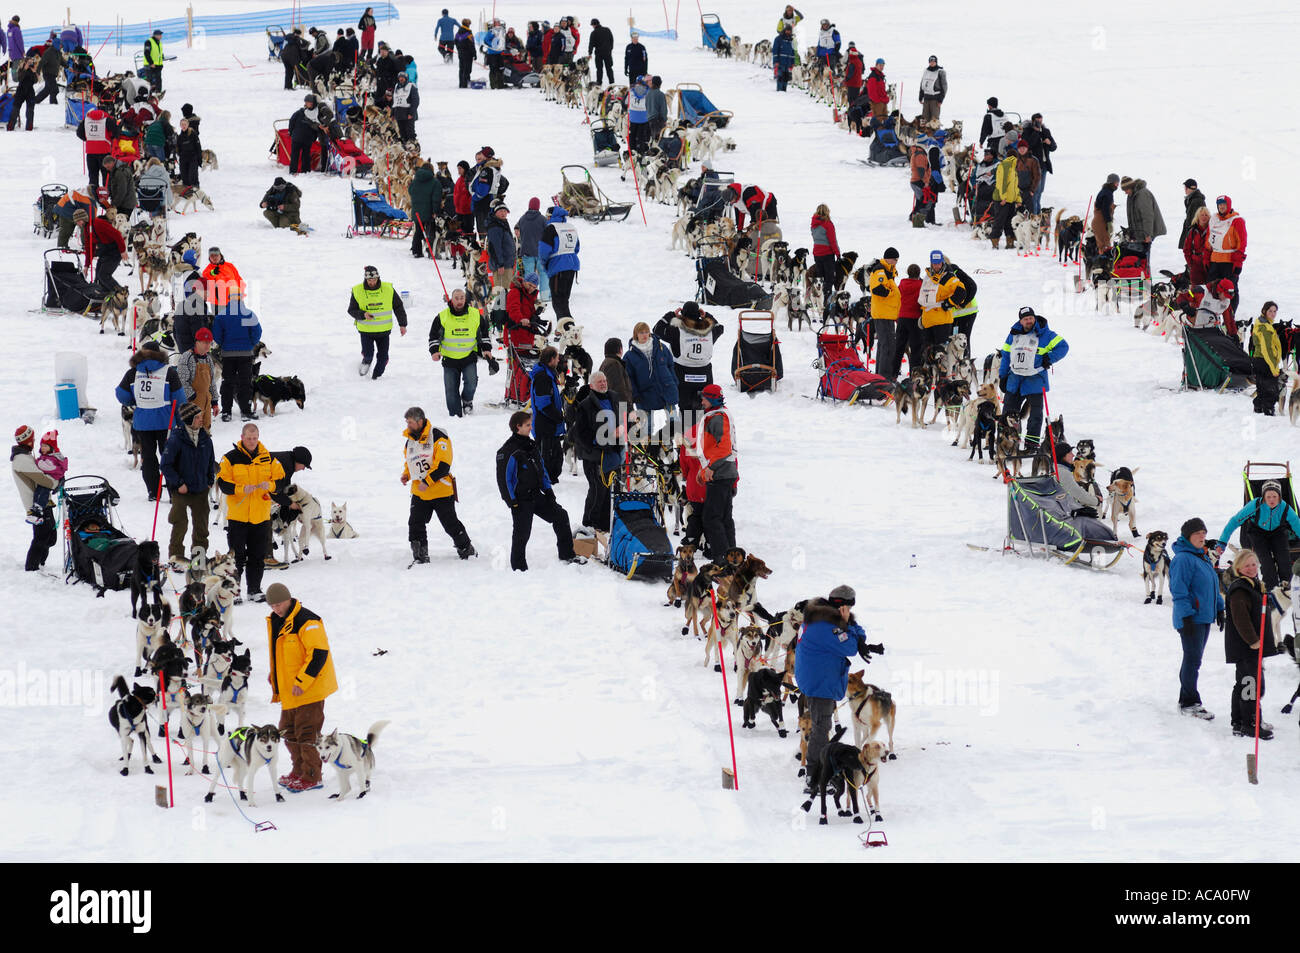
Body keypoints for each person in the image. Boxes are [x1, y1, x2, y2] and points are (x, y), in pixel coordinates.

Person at [794, 586, 873, 792]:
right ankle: (814, 776)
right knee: (821, 727)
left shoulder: (821, 617)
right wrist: (848, 627)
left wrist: (851, 627)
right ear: (841, 606)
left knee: (822, 725)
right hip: (819, 682)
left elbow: (857, 632)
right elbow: (850, 647)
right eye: (847, 608)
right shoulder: (824, 626)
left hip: (817, 679)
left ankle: (819, 770)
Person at [265, 581, 337, 793]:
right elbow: (282, 655)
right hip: (289, 692)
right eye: (272, 606)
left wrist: (302, 681)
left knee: (307, 735)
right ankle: (298, 771)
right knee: (288, 733)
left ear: (289, 599)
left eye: (279, 604)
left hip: (309, 690)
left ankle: (312, 776)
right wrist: (275, 676)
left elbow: (318, 654)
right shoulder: (277, 621)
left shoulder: (307, 621)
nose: (276, 609)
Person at [496, 411, 585, 571]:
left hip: (536, 495)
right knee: (522, 534)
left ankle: (567, 554)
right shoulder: (507, 451)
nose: (531, 428)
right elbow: (504, 480)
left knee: (561, 516)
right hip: (520, 500)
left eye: (531, 424)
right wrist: (511, 501)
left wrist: (548, 490)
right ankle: (518, 567)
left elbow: (541, 469)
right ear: (518, 427)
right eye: (528, 425)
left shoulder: (531, 445)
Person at [217, 425, 283, 604]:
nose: (252, 442)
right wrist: (241, 489)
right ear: (242, 437)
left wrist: (269, 486)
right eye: (249, 438)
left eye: (255, 438)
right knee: (236, 556)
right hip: (238, 517)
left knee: (257, 555)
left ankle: (254, 589)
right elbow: (222, 483)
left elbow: (280, 480)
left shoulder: (268, 458)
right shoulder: (229, 458)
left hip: (260, 516)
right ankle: (234, 591)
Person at [400, 407, 474, 563]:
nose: (408, 426)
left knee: (450, 524)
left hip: (441, 491)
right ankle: (420, 556)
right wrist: (406, 474)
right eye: (407, 422)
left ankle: (466, 548)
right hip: (420, 492)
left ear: (420, 421)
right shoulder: (409, 441)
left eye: (411, 423)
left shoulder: (438, 436)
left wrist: (427, 481)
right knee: (415, 523)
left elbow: (443, 465)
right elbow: (411, 462)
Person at [1169, 518, 1224, 720]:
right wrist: (1186, 616)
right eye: (1197, 533)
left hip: (1203, 617)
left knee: (1194, 659)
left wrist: (1220, 608)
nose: (1202, 536)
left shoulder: (1202, 557)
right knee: (1193, 660)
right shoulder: (1183, 559)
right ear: (1187, 536)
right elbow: (1178, 590)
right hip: (1191, 619)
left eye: (1204, 532)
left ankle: (1188, 699)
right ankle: (1189, 702)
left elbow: (1212, 586)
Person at [116, 342, 184, 500]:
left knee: (148, 457)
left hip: (143, 422)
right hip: (165, 422)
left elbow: (121, 395)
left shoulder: (133, 372)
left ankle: (153, 492)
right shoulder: (169, 372)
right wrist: (179, 421)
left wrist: (134, 401)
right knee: (169, 457)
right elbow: (179, 398)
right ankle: (174, 492)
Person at [1223, 549, 1277, 739]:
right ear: (1238, 568)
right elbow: (1241, 619)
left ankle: (1238, 721)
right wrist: (1253, 641)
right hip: (1247, 647)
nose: (1252, 568)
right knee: (1252, 685)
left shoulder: (1254, 585)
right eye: (1247, 565)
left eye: (1254, 564)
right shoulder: (1240, 589)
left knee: (1244, 682)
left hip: (1250, 646)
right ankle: (1251, 723)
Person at [998, 306, 1068, 450]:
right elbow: (1005, 355)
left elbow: (1064, 347)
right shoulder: (1013, 334)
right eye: (1025, 319)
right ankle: (1007, 442)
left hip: (1035, 380)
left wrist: (1049, 358)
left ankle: (1031, 444)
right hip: (1015, 379)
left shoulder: (1046, 334)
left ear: (1034, 318)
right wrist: (1003, 376)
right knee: (1008, 413)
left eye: (1030, 318)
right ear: (1021, 321)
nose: (1028, 321)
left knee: (1035, 415)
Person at [160, 402, 216, 569]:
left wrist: (209, 481)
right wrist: (178, 483)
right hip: (181, 490)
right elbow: (166, 465)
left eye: (201, 416)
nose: (201, 419)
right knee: (180, 523)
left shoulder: (206, 438)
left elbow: (210, 461)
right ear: (189, 419)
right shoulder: (176, 439)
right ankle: (176, 558)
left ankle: (198, 558)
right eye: (198, 417)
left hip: (200, 489)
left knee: (201, 526)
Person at [1215, 480, 1300, 591]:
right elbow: (1235, 521)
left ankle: (1288, 592)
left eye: (1274, 496)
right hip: (1258, 533)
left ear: (1279, 496)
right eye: (1268, 497)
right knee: (1267, 566)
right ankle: (1270, 594)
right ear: (1263, 496)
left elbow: (1297, 526)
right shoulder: (1255, 505)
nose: (1271, 500)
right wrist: (1222, 542)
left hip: (1278, 533)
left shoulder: (1285, 508)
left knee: (1285, 564)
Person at [428, 287, 493, 417]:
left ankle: (467, 401)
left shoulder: (475, 315)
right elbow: (433, 336)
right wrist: (434, 351)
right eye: (456, 298)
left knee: (472, 384)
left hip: (469, 357)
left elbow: (484, 334)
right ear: (451, 300)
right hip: (449, 359)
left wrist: (486, 349)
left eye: (462, 298)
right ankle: (455, 415)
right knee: (451, 390)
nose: (459, 301)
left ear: (465, 299)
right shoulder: (442, 316)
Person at [572, 372, 624, 533]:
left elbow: (624, 417)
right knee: (597, 489)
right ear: (592, 386)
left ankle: (604, 526)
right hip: (594, 455)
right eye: (599, 382)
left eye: (605, 380)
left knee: (612, 490)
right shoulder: (585, 405)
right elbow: (580, 434)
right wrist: (605, 438)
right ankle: (589, 526)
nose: (603, 384)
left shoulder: (614, 397)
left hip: (614, 453)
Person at [692, 384, 738, 559]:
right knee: (725, 519)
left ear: (711, 399)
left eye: (704, 398)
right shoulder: (720, 414)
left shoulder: (717, 417)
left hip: (720, 473)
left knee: (712, 518)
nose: (702, 401)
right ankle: (733, 558)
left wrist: (711, 468)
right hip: (726, 472)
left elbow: (724, 448)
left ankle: (722, 560)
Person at [654, 302, 724, 412]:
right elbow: (720, 327)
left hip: (682, 375)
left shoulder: (677, 330)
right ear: (698, 314)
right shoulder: (709, 330)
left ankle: (688, 428)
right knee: (703, 409)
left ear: (683, 315)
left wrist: (671, 315)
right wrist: (707, 316)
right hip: (704, 375)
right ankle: (702, 427)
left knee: (686, 411)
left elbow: (657, 329)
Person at [11, 425, 58, 572]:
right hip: (36, 505)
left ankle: (39, 563)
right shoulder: (21, 459)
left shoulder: (26, 455)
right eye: (33, 439)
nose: (35, 441)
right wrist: (55, 482)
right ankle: (32, 567)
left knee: (50, 537)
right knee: (42, 536)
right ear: (28, 441)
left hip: (44, 502)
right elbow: (41, 478)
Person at [348, 264, 408, 380]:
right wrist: (363, 314)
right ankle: (362, 372)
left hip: (384, 332)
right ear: (365, 279)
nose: (372, 282)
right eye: (369, 280)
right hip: (366, 331)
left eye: (374, 279)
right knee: (368, 355)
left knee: (383, 358)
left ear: (378, 278)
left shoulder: (388, 289)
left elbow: (398, 307)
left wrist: (402, 324)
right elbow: (351, 310)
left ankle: (376, 378)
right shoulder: (357, 290)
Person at [211, 291, 262, 423]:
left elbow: (216, 334)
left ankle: (227, 412)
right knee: (245, 383)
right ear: (241, 299)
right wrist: (250, 344)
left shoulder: (221, 316)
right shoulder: (249, 314)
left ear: (228, 300)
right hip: (245, 354)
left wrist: (223, 344)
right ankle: (245, 411)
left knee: (228, 383)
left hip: (228, 355)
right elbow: (257, 332)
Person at [623, 321, 679, 434]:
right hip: (645, 395)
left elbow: (670, 364)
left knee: (675, 424)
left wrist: (674, 381)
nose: (644, 335)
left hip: (667, 389)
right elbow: (629, 378)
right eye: (641, 332)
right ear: (636, 334)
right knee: (646, 427)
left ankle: (677, 448)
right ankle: (648, 449)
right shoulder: (629, 356)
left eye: (646, 332)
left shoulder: (661, 347)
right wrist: (635, 395)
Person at [529, 346, 567, 482]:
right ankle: (545, 482)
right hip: (545, 426)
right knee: (548, 459)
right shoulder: (543, 377)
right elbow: (543, 404)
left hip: (551, 426)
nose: (558, 360)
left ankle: (550, 479)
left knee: (556, 458)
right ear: (551, 359)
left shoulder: (548, 375)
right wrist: (559, 417)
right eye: (557, 358)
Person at [539, 204, 580, 319]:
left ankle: (567, 328)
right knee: (564, 300)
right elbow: (576, 248)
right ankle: (562, 329)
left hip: (557, 268)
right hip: (572, 267)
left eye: (547, 216)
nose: (546, 218)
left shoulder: (550, 229)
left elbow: (543, 251)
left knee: (558, 302)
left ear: (551, 216)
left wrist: (544, 264)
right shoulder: (571, 227)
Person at [1207, 195, 1247, 314]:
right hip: (1215, 259)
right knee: (1212, 288)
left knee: (1230, 289)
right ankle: (1212, 314)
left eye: (1224, 204)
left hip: (1229, 261)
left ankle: (1230, 315)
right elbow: (1209, 238)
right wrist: (1206, 256)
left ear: (1228, 205)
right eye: (1219, 205)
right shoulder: (1214, 218)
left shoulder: (1237, 220)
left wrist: (1238, 263)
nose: (1222, 207)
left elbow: (1242, 242)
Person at [865, 248, 901, 379]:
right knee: (888, 347)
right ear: (888, 258)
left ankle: (880, 376)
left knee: (884, 345)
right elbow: (878, 289)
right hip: (883, 314)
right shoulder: (880, 270)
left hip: (886, 313)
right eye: (895, 260)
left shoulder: (887, 271)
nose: (896, 263)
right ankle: (885, 379)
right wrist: (892, 292)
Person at [175, 327, 219, 428]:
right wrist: (192, 396)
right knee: (192, 431)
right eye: (205, 342)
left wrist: (215, 402)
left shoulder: (208, 359)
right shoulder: (186, 357)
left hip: (206, 402)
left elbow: (211, 382)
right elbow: (182, 381)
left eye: (209, 343)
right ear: (197, 342)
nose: (208, 346)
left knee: (206, 431)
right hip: (192, 403)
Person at [918, 250, 962, 347]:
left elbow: (961, 292)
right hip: (928, 321)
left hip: (942, 322)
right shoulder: (928, 276)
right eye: (934, 264)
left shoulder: (948, 276)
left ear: (943, 262)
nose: (937, 266)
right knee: (928, 353)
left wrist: (947, 304)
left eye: (939, 264)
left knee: (941, 353)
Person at [1246, 302, 1282, 415]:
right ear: (1264, 311)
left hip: (1258, 360)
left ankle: (1258, 408)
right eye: (1270, 311)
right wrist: (1274, 368)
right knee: (1272, 390)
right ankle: (1268, 410)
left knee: (1262, 387)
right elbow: (1267, 350)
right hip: (1265, 361)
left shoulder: (1261, 324)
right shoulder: (1265, 328)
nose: (1273, 313)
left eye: (1274, 311)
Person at [486, 200, 517, 323]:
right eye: (501, 211)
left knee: (505, 292)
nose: (504, 213)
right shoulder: (495, 226)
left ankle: (502, 318)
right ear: (495, 212)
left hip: (507, 264)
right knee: (501, 293)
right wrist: (500, 264)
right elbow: (495, 247)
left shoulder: (502, 223)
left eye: (505, 211)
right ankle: (499, 321)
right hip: (502, 266)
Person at [1120, 176, 1166, 257]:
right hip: (1140, 231)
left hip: (1146, 232)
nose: (1125, 192)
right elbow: (1132, 216)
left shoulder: (1142, 194)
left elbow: (1147, 216)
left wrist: (1147, 235)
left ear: (1130, 187)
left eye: (1126, 190)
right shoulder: (1131, 196)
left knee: (1144, 255)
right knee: (1140, 255)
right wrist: (1132, 233)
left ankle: (1146, 270)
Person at [76, 96, 117, 186]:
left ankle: (93, 197)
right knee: (106, 178)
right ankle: (106, 196)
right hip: (105, 153)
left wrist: (88, 140)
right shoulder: (107, 120)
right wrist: (111, 138)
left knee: (93, 177)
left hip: (90, 153)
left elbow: (79, 133)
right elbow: (116, 132)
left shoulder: (86, 120)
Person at [1019, 114, 1055, 214]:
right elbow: (1028, 145)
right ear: (1033, 121)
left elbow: (1054, 147)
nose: (1039, 123)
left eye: (1040, 121)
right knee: (1034, 192)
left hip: (1043, 166)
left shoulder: (1045, 131)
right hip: (1033, 166)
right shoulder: (1027, 131)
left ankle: (1037, 214)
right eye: (1037, 121)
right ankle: (1034, 215)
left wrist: (1049, 143)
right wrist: (1035, 131)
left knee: (1040, 191)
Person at [515, 197, 550, 301]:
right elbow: (548, 234)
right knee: (543, 274)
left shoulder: (522, 218)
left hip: (526, 251)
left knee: (529, 275)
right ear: (538, 206)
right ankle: (544, 296)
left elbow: (517, 229)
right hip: (540, 252)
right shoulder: (543, 219)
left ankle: (528, 296)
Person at [469, 146, 504, 238]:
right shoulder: (494, 167)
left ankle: (485, 252)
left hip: (482, 204)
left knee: (483, 233)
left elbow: (482, 190)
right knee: (489, 231)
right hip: (489, 201)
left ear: (485, 156)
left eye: (482, 155)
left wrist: (475, 196)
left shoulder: (487, 170)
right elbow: (504, 183)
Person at [810, 204, 840, 307]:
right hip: (827, 254)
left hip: (817, 253)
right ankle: (827, 301)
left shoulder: (813, 224)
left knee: (820, 278)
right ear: (827, 211)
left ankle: (819, 299)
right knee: (829, 278)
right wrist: (837, 253)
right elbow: (832, 241)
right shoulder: (828, 224)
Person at [408, 161, 441, 258]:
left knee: (418, 231)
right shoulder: (435, 182)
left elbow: (410, 191)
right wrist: (435, 211)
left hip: (416, 211)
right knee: (430, 231)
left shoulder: (415, 180)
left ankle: (416, 251)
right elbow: (436, 199)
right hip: (429, 211)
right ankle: (431, 252)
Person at [990, 149, 1020, 249]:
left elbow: (1015, 186)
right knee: (999, 221)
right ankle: (995, 242)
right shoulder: (1005, 166)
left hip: (1010, 200)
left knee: (1010, 222)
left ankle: (1010, 242)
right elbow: (1001, 183)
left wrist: (1018, 199)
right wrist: (1004, 197)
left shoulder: (1013, 167)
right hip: (1002, 200)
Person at [896, 263, 923, 374]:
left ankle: (894, 372)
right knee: (916, 348)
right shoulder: (921, 285)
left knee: (899, 347)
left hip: (902, 318)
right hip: (915, 319)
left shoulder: (902, 283)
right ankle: (914, 372)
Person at [288, 94, 323, 175]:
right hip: (296, 138)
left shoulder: (316, 114)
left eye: (310, 102)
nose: (308, 103)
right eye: (306, 102)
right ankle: (293, 171)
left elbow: (317, 127)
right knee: (294, 156)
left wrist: (313, 137)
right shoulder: (299, 113)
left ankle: (306, 171)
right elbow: (291, 122)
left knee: (306, 156)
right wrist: (291, 133)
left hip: (307, 139)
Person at [202, 246, 244, 312]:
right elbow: (206, 278)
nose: (214, 258)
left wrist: (240, 296)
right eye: (212, 256)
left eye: (216, 255)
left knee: (235, 321)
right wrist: (212, 273)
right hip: (218, 304)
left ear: (220, 255)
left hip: (234, 301)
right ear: (209, 258)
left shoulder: (230, 266)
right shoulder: (208, 270)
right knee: (221, 321)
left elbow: (238, 280)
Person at [600, 337, 635, 411]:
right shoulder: (614, 364)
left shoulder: (606, 362)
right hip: (620, 409)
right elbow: (619, 389)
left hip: (614, 407)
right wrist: (628, 409)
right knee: (623, 423)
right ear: (620, 350)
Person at [5, 55, 37, 131]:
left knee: (30, 110)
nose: (30, 64)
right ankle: (10, 127)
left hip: (30, 91)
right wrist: (24, 69)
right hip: (21, 90)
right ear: (25, 62)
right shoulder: (21, 69)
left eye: (31, 62)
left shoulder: (32, 70)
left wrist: (34, 72)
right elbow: (19, 79)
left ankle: (29, 127)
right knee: (15, 108)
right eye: (28, 62)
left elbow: (35, 81)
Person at [1092, 172, 1119, 253]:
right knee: (1105, 246)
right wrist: (1109, 222)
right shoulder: (1107, 193)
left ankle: (1103, 262)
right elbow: (1105, 209)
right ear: (1113, 183)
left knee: (1103, 245)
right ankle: (1104, 264)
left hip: (1099, 222)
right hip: (1101, 222)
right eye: (1117, 183)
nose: (1118, 185)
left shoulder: (1105, 191)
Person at [1182, 206, 1210, 285]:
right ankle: (1146, 294)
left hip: (1209, 264)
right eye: (1201, 215)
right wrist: (1191, 264)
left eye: (1206, 215)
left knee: (1209, 290)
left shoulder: (1212, 230)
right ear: (1197, 217)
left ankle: (1146, 292)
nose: (1204, 217)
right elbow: (1186, 249)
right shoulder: (1192, 231)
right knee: (1196, 290)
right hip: (1196, 265)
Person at [1013, 140, 1041, 218]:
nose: (1022, 150)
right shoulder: (1015, 160)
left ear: (1027, 148)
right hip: (1018, 191)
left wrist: (1032, 190)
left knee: (1030, 213)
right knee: (1017, 214)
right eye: (1020, 148)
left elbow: (1037, 176)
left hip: (1029, 191)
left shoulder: (1033, 160)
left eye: (1024, 148)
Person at [970, 147, 998, 225]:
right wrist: (974, 185)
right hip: (979, 185)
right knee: (971, 195)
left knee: (987, 195)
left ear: (992, 156)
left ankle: (989, 216)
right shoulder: (979, 165)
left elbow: (999, 176)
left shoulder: (997, 164)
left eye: (987, 154)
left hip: (991, 185)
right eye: (984, 154)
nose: (985, 156)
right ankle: (975, 217)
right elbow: (973, 177)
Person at [34, 35, 62, 106]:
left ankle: (35, 100)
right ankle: (53, 104)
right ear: (56, 44)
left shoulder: (58, 52)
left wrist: (68, 67)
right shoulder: (48, 52)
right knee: (54, 89)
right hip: (48, 74)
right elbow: (41, 62)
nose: (61, 46)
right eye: (60, 44)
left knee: (47, 90)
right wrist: (38, 71)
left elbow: (61, 60)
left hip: (53, 74)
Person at [390, 72, 419, 141]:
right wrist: (392, 113)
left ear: (406, 78)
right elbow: (395, 101)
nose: (401, 79)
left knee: (410, 132)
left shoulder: (411, 86)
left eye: (402, 77)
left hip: (408, 113)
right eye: (400, 77)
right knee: (402, 133)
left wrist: (411, 113)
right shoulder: (397, 86)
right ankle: (405, 148)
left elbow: (415, 101)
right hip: (399, 113)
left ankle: (414, 148)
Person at [918, 55, 946, 122]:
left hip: (935, 100)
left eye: (933, 61)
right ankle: (925, 132)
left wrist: (940, 100)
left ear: (936, 62)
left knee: (934, 120)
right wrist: (920, 97)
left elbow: (944, 87)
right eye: (931, 61)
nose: (932, 63)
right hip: (926, 99)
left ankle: (935, 132)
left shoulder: (940, 72)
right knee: (924, 120)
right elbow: (922, 84)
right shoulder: (926, 71)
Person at [1178, 178, 1206, 248]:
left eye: (1186, 188)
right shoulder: (1191, 200)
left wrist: (1192, 237)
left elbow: (1198, 221)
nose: (1185, 189)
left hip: (1194, 237)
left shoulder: (1197, 201)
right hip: (1191, 234)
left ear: (1190, 188)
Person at [627, 75, 651, 154]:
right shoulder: (648, 91)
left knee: (632, 135)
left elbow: (626, 102)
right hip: (644, 117)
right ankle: (641, 151)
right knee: (641, 136)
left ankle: (631, 151)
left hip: (633, 117)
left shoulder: (631, 91)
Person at [586, 17, 614, 84]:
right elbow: (611, 40)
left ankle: (599, 83)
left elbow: (591, 44)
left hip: (599, 54)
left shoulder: (593, 33)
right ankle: (612, 83)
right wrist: (610, 49)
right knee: (609, 68)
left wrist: (590, 53)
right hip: (607, 53)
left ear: (593, 25)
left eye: (592, 25)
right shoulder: (607, 29)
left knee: (599, 69)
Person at [176, 116, 201, 187]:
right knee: (184, 176)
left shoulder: (193, 134)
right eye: (182, 124)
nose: (183, 126)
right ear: (180, 125)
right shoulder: (179, 137)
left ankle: (195, 189)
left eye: (185, 124)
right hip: (183, 159)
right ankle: (187, 192)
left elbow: (198, 147)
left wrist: (199, 159)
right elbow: (178, 149)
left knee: (192, 176)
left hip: (193, 158)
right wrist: (179, 155)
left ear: (188, 125)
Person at [646, 76, 669, 145]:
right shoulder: (660, 94)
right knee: (658, 142)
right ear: (660, 84)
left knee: (651, 141)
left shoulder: (648, 93)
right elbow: (663, 109)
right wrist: (664, 120)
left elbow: (646, 106)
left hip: (648, 120)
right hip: (658, 121)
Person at [772, 26, 795, 91]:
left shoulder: (792, 40)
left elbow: (793, 52)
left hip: (788, 62)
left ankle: (784, 90)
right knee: (780, 76)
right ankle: (779, 90)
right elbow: (775, 50)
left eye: (789, 31)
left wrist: (793, 62)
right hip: (780, 61)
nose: (788, 32)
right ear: (784, 30)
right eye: (787, 30)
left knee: (786, 77)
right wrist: (776, 61)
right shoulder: (778, 39)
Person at [455, 18, 476, 88]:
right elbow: (471, 44)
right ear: (468, 24)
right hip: (468, 54)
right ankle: (465, 83)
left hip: (461, 53)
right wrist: (474, 53)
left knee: (461, 69)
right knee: (467, 69)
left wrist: (459, 49)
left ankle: (461, 83)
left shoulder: (458, 32)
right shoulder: (468, 33)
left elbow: (455, 42)